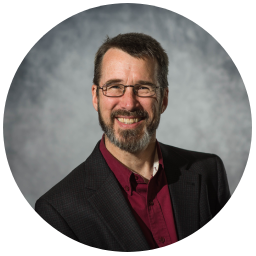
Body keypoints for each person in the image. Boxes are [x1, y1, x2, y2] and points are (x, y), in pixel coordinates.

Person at [35, 33, 231, 256]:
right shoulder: (58, 211)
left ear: (164, 99)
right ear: (95, 97)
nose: (129, 103)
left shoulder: (208, 172)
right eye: (114, 86)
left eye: (144, 88)